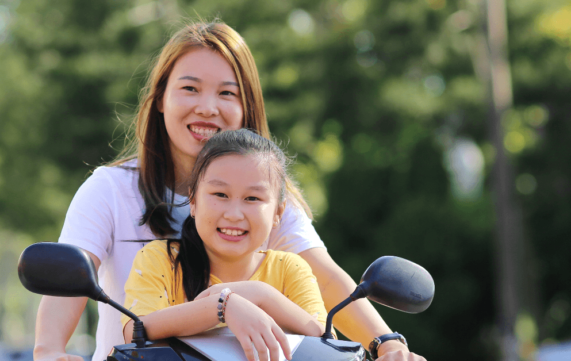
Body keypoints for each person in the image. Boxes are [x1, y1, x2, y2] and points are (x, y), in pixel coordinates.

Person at [34, 20, 426, 361]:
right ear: (159, 99)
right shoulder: (111, 190)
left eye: (226, 93)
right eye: (190, 88)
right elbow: (71, 276)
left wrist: (385, 343)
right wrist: (49, 349)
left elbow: (324, 280)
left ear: (246, 108)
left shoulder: (271, 197)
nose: (207, 107)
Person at [122, 129, 327, 361]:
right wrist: (223, 307)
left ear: (278, 213)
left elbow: (320, 338)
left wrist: (260, 294)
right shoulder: (161, 259)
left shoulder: (290, 268)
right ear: (193, 201)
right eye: (220, 194)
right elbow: (136, 330)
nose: (234, 214)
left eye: (252, 198)